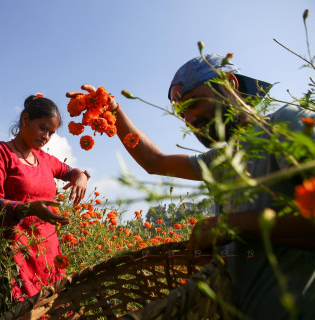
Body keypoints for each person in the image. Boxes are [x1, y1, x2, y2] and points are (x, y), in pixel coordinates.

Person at [68, 54, 315, 319]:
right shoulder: (223, 160)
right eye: (182, 113)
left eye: (194, 104)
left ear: (229, 84)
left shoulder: (286, 124)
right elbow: (156, 162)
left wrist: (229, 225)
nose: (190, 119)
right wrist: (112, 110)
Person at [0, 95, 90, 316]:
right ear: (25, 119)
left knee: (52, 309)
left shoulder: (45, 160)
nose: (46, 136)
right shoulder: (0, 152)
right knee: (15, 312)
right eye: (42, 128)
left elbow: (73, 172)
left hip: (47, 256)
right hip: (13, 253)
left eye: (51, 133)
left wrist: (82, 176)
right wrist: (27, 209)